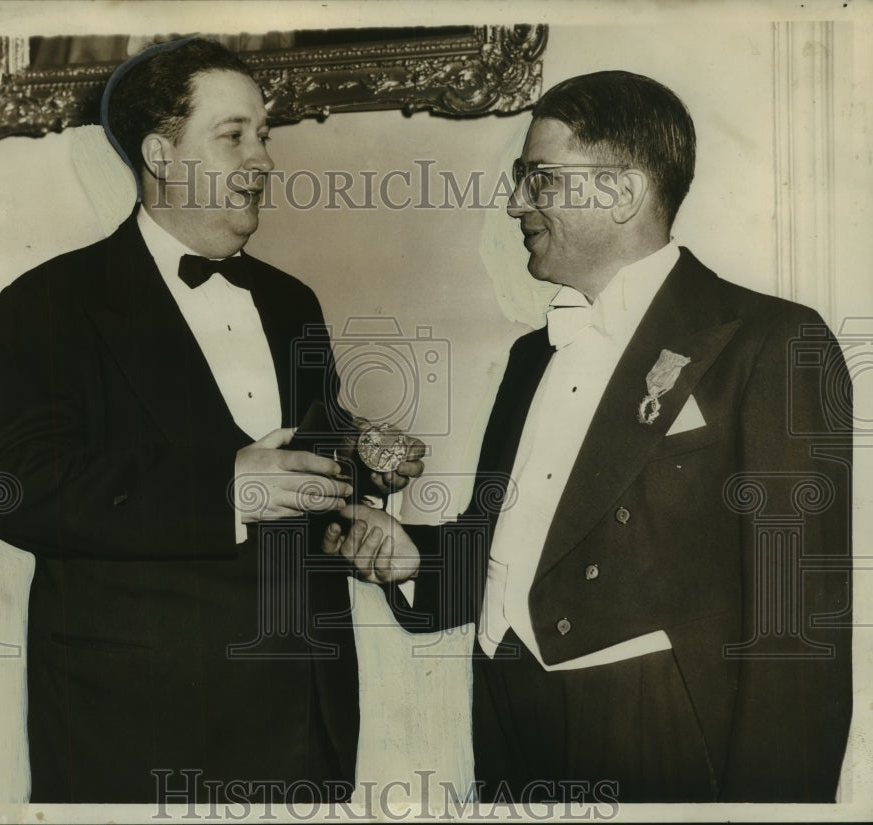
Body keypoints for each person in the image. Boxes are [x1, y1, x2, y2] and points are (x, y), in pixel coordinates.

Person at [324, 70, 853, 803]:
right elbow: (518, 545)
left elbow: (798, 628)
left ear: (623, 192)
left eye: (539, 177)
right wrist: (415, 557)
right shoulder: (530, 356)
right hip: (510, 719)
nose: (516, 202)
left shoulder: (772, 341)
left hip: (660, 731)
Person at [0, 37, 422, 804]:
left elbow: (296, 459)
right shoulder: (49, 302)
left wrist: (359, 471)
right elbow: (16, 485)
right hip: (137, 728)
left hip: (302, 720)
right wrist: (225, 490)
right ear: (161, 153)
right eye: (233, 135)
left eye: (264, 135)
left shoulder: (293, 302)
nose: (264, 159)